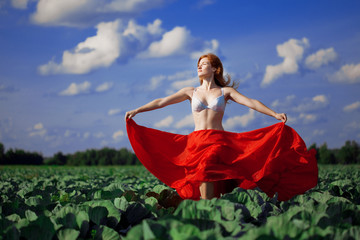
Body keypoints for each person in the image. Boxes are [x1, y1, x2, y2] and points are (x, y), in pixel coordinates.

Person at [125, 53, 317, 201]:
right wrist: (138, 110)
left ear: (215, 68)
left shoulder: (225, 91)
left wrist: (274, 114)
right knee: (205, 178)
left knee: (207, 166)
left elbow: (251, 102)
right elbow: (162, 102)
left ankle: (207, 209)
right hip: (196, 141)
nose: (199, 67)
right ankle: (206, 209)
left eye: (204, 64)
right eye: (198, 65)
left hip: (218, 141)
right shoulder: (190, 91)